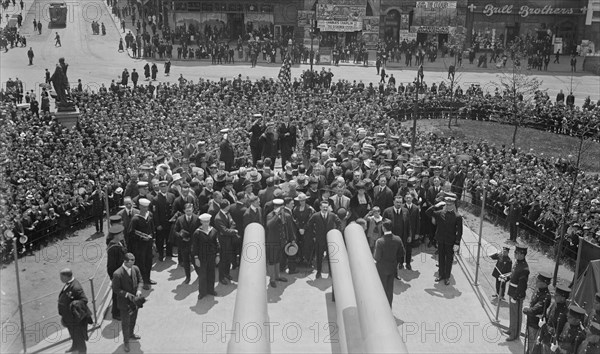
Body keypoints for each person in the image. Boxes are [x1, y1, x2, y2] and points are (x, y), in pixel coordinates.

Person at [425, 193, 463, 285]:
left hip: (450, 241)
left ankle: (447, 277)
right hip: (441, 240)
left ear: (453, 205)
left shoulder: (457, 216)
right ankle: (441, 274)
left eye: (450, 204)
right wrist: (436, 205)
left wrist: (457, 243)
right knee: (441, 258)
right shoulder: (440, 213)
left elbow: (459, 231)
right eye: (447, 204)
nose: (449, 206)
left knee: (449, 259)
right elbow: (428, 212)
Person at [111, 253, 143, 353]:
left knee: (133, 319)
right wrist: (126, 294)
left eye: (134, 260)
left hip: (135, 302)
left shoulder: (135, 268)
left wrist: (139, 290)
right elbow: (115, 289)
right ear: (125, 261)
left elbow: (140, 280)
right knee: (125, 323)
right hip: (124, 304)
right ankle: (126, 342)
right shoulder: (117, 274)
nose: (134, 262)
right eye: (131, 261)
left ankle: (131, 334)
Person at [58, 268, 92, 354]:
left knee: (79, 337)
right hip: (68, 317)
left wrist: (74, 304)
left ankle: (82, 351)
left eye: (61, 277)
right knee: (73, 334)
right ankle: (74, 346)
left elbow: (84, 300)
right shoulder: (68, 284)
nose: (60, 279)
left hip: (76, 319)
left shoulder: (76, 287)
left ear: (67, 277)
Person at [305, 200, 342, 279]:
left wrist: (335, 233)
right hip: (319, 240)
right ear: (320, 207)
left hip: (330, 240)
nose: (325, 208)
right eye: (323, 207)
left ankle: (331, 272)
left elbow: (339, 223)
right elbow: (309, 225)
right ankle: (318, 272)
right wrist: (314, 235)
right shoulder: (315, 215)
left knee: (331, 257)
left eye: (326, 207)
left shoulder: (332, 215)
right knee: (319, 256)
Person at [374, 219, 405, 307]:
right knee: (389, 289)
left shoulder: (380, 241)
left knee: (381, 289)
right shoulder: (398, 239)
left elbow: (377, 257)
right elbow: (402, 253)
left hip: (381, 268)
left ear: (383, 228)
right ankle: (389, 306)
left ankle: (382, 308)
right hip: (392, 267)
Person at [502, 244, 530, 341]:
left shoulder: (524, 268)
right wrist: (506, 277)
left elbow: (522, 285)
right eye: (515, 253)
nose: (516, 255)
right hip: (512, 292)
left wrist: (516, 297)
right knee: (512, 313)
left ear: (523, 254)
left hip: (517, 295)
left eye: (518, 253)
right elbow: (513, 274)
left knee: (516, 315)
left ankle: (514, 335)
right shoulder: (517, 263)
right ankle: (511, 329)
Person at [265, 199, 296, 287]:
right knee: (271, 261)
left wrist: (292, 239)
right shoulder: (270, 215)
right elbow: (269, 225)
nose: (281, 209)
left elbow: (290, 228)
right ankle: (272, 279)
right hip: (272, 242)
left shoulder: (286, 215)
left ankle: (277, 276)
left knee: (278, 259)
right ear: (275, 207)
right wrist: (276, 215)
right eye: (279, 207)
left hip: (282, 241)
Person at [126, 198, 156, 289]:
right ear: (139, 207)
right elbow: (131, 233)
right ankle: (143, 281)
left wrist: (153, 241)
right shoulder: (135, 219)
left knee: (149, 262)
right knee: (141, 263)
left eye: (146, 207)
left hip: (149, 244)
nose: (145, 209)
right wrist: (141, 237)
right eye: (143, 207)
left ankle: (148, 278)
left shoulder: (149, 215)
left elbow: (152, 229)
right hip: (139, 246)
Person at [523, 272, 552, 354]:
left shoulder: (546, 296)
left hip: (535, 324)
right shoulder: (538, 290)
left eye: (538, 281)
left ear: (544, 283)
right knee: (529, 344)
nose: (536, 282)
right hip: (531, 320)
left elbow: (534, 310)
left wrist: (526, 310)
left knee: (533, 347)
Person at [192, 213, 219, 299]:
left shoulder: (213, 231)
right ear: (201, 222)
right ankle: (202, 292)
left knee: (211, 273)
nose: (206, 223)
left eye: (207, 221)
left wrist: (217, 255)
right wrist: (196, 258)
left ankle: (211, 290)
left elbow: (217, 244)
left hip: (212, 256)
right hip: (202, 257)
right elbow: (195, 247)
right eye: (204, 222)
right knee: (202, 275)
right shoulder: (197, 233)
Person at [174, 203, 201, 284]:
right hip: (184, 245)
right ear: (184, 211)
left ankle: (200, 274)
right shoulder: (180, 219)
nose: (188, 212)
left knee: (195, 261)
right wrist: (181, 236)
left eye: (190, 210)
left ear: (192, 210)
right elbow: (175, 231)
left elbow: (200, 230)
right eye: (187, 211)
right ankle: (188, 277)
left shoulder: (197, 218)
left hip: (194, 245)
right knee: (186, 262)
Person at [539, 285, 571, 353]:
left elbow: (561, 331)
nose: (554, 296)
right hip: (546, 337)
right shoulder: (554, 304)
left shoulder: (565, 313)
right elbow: (548, 319)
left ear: (563, 298)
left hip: (553, 343)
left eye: (556, 295)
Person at [106, 225, 127, 320]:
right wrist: (114, 278)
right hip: (117, 275)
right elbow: (110, 266)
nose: (123, 235)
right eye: (121, 233)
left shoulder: (119, 243)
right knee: (117, 295)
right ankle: (116, 313)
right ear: (115, 236)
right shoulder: (113, 248)